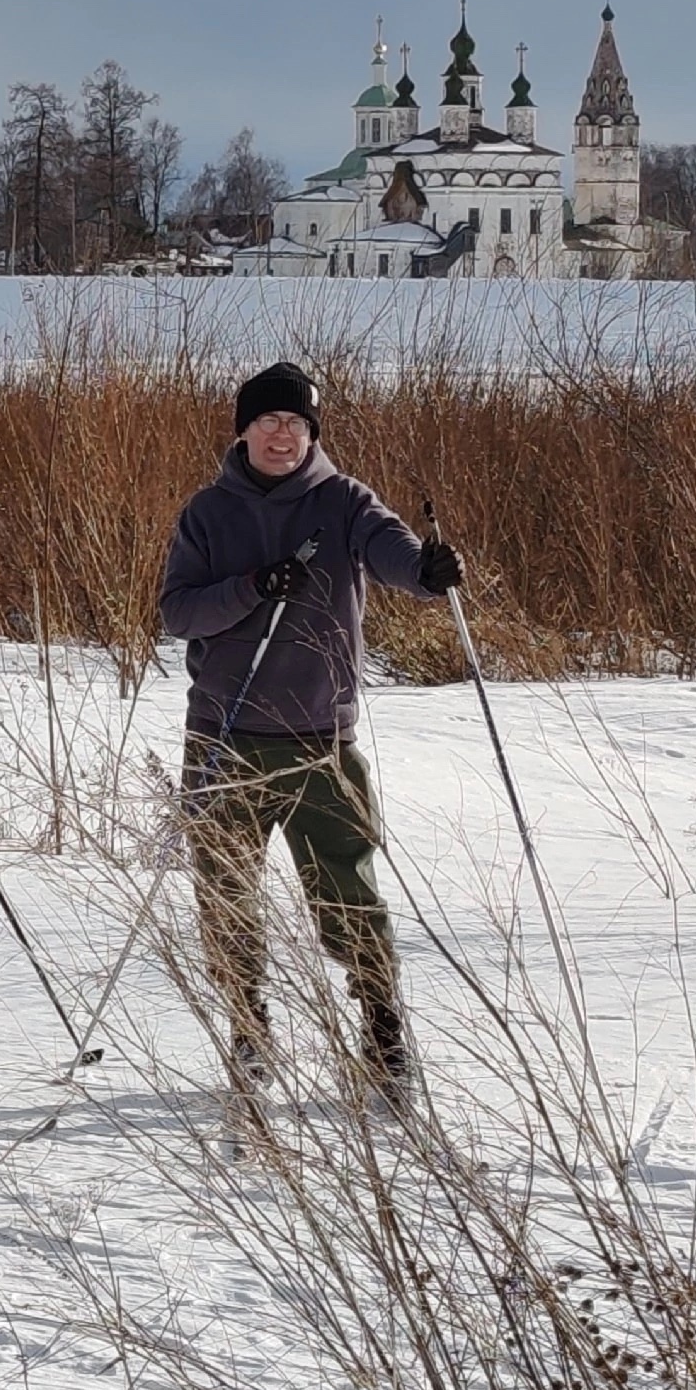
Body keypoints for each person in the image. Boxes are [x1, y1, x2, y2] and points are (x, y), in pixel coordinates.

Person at [158, 361, 463, 1102]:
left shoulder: (343, 501)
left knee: (347, 891)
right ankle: (249, 1031)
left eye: (296, 423)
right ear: (244, 430)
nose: (283, 435)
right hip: (225, 737)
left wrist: (427, 572)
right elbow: (179, 612)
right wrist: (252, 589)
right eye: (269, 421)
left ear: (312, 432)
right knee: (227, 894)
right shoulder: (208, 513)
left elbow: (392, 552)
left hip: (321, 738)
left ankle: (383, 1035)